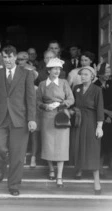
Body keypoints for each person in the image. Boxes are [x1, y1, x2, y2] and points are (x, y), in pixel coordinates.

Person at [0, 45, 37, 196]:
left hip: (20, 118)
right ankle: (0, 169)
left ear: (16, 57)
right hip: (0, 118)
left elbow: (31, 98)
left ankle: (14, 184)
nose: (8, 60)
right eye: (5, 57)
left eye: (10, 57)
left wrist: (31, 119)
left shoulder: (26, 73)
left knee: (17, 154)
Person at [36, 58, 74, 187]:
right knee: (48, 144)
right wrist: (46, 107)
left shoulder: (64, 83)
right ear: (49, 70)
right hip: (47, 117)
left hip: (62, 115)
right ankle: (51, 169)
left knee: (61, 146)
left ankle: (59, 175)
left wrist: (61, 103)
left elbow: (71, 99)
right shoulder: (42, 84)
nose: (57, 71)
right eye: (54, 69)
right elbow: (37, 102)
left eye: (59, 69)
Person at [70, 66, 104, 195]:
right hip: (79, 121)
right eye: (81, 74)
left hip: (91, 121)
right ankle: (79, 169)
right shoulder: (76, 88)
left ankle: (97, 181)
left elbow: (100, 109)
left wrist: (99, 127)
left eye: (86, 74)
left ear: (92, 76)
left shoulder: (97, 90)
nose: (83, 76)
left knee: (92, 150)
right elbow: (72, 104)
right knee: (78, 146)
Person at [17, 51, 40, 167]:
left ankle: (33, 157)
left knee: (34, 135)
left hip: (34, 112)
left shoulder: (37, 88)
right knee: (22, 135)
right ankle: (22, 155)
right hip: (21, 112)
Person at [94, 62, 112, 173]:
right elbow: (95, 104)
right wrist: (106, 114)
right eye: (106, 72)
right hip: (101, 116)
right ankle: (100, 165)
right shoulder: (95, 85)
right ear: (100, 73)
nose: (109, 74)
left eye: (109, 71)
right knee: (102, 141)